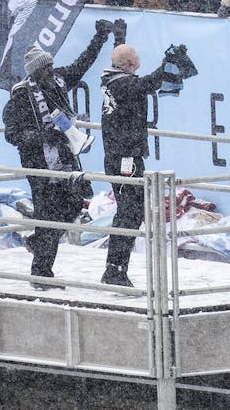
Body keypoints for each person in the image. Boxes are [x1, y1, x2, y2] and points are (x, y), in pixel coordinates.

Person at [3, 20, 120, 279]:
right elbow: (12, 134)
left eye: (51, 65)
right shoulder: (21, 96)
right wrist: (45, 136)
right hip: (39, 165)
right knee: (47, 215)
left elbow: (82, 63)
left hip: (65, 160)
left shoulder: (58, 82)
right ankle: (42, 271)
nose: (51, 70)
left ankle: (40, 241)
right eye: (45, 67)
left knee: (73, 206)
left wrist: (99, 37)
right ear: (34, 73)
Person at [98, 41, 180, 286]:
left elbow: (144, 84)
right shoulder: (121, 83)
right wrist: (167, 64)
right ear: (130, 63)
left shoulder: (113, 80)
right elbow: (146, 84)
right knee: (128, 211)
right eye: (136, 55)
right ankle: (114, 268)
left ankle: (117, 267)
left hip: (126, 155)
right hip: (124, 157)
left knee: (133, 211)